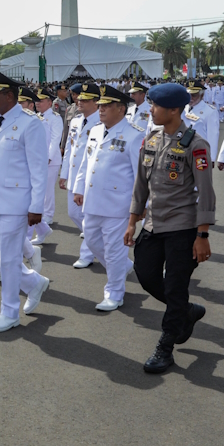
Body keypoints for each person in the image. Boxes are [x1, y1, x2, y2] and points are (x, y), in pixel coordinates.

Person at [124, 83, 216, 374]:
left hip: (183, 227)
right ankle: (186, 311)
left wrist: (202, 235)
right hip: (152, 224)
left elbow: (206, 193)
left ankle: (165, 346)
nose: (150, 110)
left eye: (155, 105)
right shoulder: (150, 140)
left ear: (174, 110)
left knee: (176, 287)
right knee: (146, 274)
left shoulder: (195, 144)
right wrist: (132, 220)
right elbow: (141, 184)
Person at [0, 73, 50, 332]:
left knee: (7, 258)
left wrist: (36, 206)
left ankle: (9, 312)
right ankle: (32, 283)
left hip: (17, 203)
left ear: (9, 96)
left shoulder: (30, 123)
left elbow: (38, 169)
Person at [74, 85, 143, 311]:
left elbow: (140, 176)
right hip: (93, 201)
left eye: (106, 106)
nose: (101, 110)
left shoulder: (134, 135)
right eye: (100, 106)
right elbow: (86, 163)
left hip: (118, 205)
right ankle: (122, 267)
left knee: (114, 251)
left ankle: (114, 292)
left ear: (121, 109)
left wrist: (139, 206)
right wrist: (79, 188)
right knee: (93, 242)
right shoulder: (95, 131)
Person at [60, 83, 101, 268]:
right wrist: (64, 173)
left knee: (88, 216)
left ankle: (87, 253)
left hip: (91, 176)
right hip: (74, 173)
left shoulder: (101, 122)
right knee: (74, 213)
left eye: (85, 99)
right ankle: (97, 242)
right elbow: (70, 148)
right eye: (79, 98)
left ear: (96, 102)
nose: (79, 101)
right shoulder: (76, 120)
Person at [30, 86, 64, 246]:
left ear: (49, 102)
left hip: (51, 160)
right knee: (37, 189)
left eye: (41, 101)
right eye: (36, 101)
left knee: (48, 188)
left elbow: (55, 139)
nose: (37, 103)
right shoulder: (36, 117)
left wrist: (48, 157)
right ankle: (42, 217)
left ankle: (48, 215)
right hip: (37, 159)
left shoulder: (55, 118)